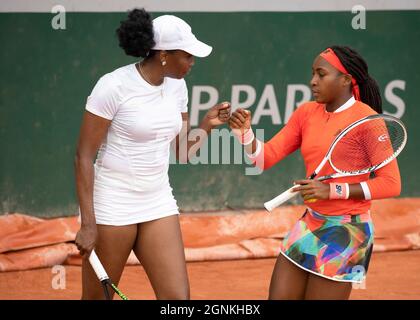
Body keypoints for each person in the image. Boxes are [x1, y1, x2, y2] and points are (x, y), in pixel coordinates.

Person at [74, 8, 231, 300]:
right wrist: (88, 223)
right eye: (187, 55)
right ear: (163, 54)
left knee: (178, 300)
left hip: (157, 200)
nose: (192, 62)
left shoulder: (178, 87)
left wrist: (208, 124)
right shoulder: (113, 86)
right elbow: (83, 156)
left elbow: (183, 152)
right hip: (113, 202)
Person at [229, 46, 401, 300]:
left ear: (345, 80)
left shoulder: (368, 120)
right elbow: (264, 159)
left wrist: (332, 190)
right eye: (313, 74)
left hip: (347, 231)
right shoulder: (306, 113)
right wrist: (245, 134)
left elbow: (391, 184)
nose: (313, 81)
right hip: (310, 222)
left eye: (321, 74)